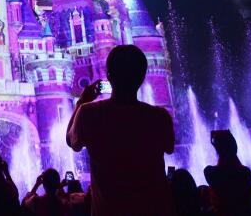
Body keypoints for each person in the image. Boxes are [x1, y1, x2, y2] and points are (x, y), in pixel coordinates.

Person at [66, 45, 175, 216]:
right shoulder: (160, 117)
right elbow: (169, 147)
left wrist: (81, 103)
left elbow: (71, 141)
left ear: (109, 76)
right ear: (142, 76)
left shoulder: (90, 113)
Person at [203, 130, 251, 215]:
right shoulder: (245, 172)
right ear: (234, 147)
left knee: (203, 189)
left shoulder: (210, 172)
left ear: (217, 149)